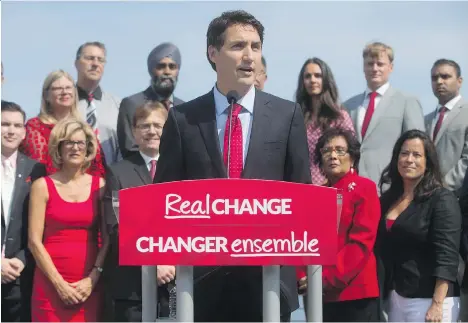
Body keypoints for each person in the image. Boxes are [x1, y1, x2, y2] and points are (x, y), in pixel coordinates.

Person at [154, 9, 311, 322]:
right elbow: (164, 197)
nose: (249, 56)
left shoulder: (287, 115)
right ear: (213, 53)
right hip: (202, 278)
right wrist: (164, 256)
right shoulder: (183, 118)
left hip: (269, 279)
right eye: (238, 46)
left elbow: (302, 195)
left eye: (255, 46)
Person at [28, 118, 109, 321]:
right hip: (50, 285)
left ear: (88, 147)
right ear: (59, 147)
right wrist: (59, 284)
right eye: (68, 142)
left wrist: (93, 278)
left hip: (88, 286)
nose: (75, 148)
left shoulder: (100, 186)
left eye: (80, 143)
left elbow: (107, 239)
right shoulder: (41, 186)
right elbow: (34, 242)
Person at [377, 129, 461, 322]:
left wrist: (437, 304)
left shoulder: (441, 199)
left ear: (428, 162)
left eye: (417, 155)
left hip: (432, 301)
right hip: (397, 297)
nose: (409, 159)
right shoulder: (387, 200)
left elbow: (447, 257)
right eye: (404, 153)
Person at [297, 128, 380, 321]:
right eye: (326, 151)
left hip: (355, 293)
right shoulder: (315, 194)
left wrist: (323, 279)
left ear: (352, 157)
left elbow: (361, 243)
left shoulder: (364, 188)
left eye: (340, 150)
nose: (333, 155)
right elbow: (303, 240)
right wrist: (302, 276)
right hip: (318, 294)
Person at [103, 101, 171, 321]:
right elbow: (117, 226)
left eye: (158, 125)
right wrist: (153, 263)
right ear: (134, 132)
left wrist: (172, 263)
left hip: (176, 283)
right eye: (144, 125)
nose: (151, 131)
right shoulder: (118, 172)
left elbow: (192, 223)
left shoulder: (182, 168)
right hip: (133, 288)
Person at [343, 42, 425, 186]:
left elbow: (417, 147)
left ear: (390, 67)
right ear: (363, 67)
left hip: (390, 185)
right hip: (352, 185)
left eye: (380, 64)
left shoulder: (407, 101)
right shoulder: (348, 106)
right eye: (370, 64)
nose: (375, 69)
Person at [1, 101, 46, 322]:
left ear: (24, 132)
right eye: (4, 124)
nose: (11, 131)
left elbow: (40, 224)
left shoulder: (36, 169)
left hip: (19, 276)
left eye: (17, 125)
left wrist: (22, 259)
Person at [20, 70, 106, 177]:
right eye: (58, 88)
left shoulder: (85, 128)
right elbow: (39, 167)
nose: (64, 92)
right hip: (49, 188)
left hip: (86, 189)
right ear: (46, 95)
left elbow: (98, 167)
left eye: (69, 88)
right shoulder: (35, 126)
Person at [117, 42, 184, 158]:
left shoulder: (184, 109)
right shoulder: (132, 104)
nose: (167, 72)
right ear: (151, 70)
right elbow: (129, 149)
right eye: (161, 66)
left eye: (172, 67)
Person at [295, 57, 355, 185]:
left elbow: (351, 153)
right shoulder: (296, 117)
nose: (312, 80)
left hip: (331, 186)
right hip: (301, 186)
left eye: (318, 76)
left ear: (326, 80)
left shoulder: (339, 117)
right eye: (308, 76)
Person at [424, 59, 468, 195]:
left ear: (459, 81)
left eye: (445, 76)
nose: (439, 81)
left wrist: (443, 186)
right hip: (425, 196)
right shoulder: (426, 120)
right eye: (434, 78)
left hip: (458, 197)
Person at [75, 41, 122, 164]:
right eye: (89, 58)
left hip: (110, 177)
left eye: (100, 60)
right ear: (76, 63)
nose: (95, 64)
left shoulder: (118, 106)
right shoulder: (63, 104)